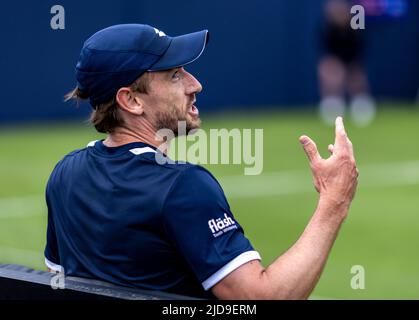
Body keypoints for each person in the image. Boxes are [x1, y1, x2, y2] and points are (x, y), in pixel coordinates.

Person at [44, 24, 359, 299]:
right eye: (175, 75)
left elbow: (58, 278)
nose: (195, 85)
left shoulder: (64, 174)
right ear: (131, 100)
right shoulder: (182, 186)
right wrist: (334, 201)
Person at [318, 0, 376, 126]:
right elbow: (327, 51)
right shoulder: (327, 28)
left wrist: (351, 66)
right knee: (329, 70)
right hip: (336, 60)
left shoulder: (356, 26)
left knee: (356, 76)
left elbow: (360, 47)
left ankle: (361, 107)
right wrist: (336, 65)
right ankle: (332, 107)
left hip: (353, 60)